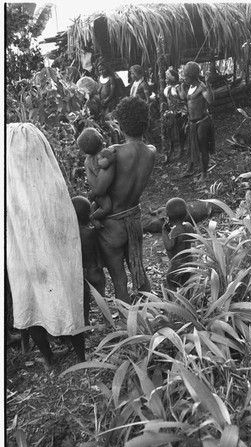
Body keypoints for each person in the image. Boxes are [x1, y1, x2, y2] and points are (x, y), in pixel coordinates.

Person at [6, 123, 86, 369]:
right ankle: (81, 356)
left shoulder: (10, 190)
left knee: (30, 299)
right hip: (57, 255)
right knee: (67, 295)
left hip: (25, 255)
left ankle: (49, 359)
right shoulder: (52, 185)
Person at [87, 96, 156, 304]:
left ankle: (130, 330)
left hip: (112, 224)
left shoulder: (114, 153)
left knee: (119, 279)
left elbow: (99, 188)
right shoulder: (151, 152)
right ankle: (152, 314)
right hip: (134, 219)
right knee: (138, 270)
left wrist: (87, 166)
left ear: (121, 123)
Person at [71, 196, 106, 325]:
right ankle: (107, 320)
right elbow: (99, 250)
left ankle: (85, 322)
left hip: (81, 273)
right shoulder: (91, 233)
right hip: (95, 270)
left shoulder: (71, 234)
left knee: (84, 300)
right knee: (102, 297)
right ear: (88, 215)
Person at [179, 61, 215, 182]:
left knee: (203, 148)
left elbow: (210, 100)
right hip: (192, 122)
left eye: (186, 77)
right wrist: (182, 87)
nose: (184, 79)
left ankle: (204, 173)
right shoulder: (189, 86)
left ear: (193, 76)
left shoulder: (202, 87)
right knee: (192, 146)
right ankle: (190, 169)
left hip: (202, 122)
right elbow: (185, 98)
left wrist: (208, 84)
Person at [77, 127, 115, 228]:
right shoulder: (102, 154)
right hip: (99, 190)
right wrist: (111, 155)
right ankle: (93, 217)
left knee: (97, 203)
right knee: (107, 207)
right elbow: (106, 164)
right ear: (101, 139)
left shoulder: (88, 160)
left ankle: (93, 210)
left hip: (93, 189)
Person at [162, 197, 195, 290]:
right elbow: (193, 238)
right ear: (186, 213)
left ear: (167, 215)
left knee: (171, 281)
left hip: (177, 265)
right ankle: (187, 298)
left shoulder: (175, 231)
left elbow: (169, 246)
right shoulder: (188, 226)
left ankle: (172, 300)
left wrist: (164, 232)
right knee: (185, 283)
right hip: (189, 262)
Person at [163, 67, 188, 161]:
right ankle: (172, 149)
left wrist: (181, 86)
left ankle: (181, 150)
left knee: (180, 132)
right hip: (171, 113)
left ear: (172, 78)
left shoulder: (178, 87)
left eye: (167, 77)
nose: (165, 79)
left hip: (180, 113)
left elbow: (183, 97)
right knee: (170, 132)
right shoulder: (167, 88)